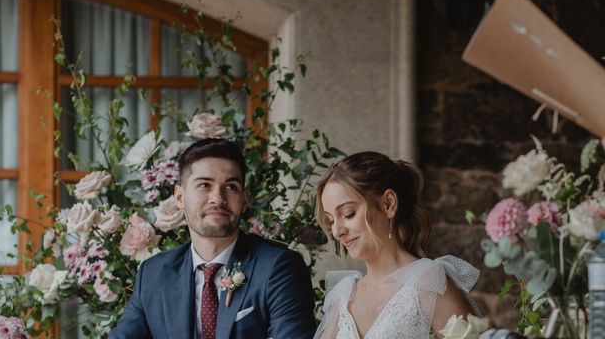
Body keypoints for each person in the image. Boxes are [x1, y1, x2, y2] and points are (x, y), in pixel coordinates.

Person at [110, 138, 317, 339]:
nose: (218, 199)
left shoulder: (279, 267)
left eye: (230, 187)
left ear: (244, 200)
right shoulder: (153, 273)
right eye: (204, 185)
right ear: (180, 197)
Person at [314, 151, 480, 339]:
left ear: (388, 203)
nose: (337, 231)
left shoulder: (429, 282)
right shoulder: (342, 296)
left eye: (348, 213)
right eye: (330, 221)